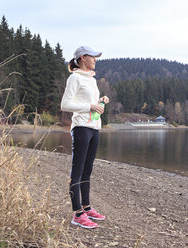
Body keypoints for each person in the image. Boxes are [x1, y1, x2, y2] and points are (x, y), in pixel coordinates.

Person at [61, 46, 109, 229]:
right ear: (82, 58)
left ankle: (87, 207)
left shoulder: (92, 80)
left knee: (87, 170)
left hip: (94, 127)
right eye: (93, 56)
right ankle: (77, 214)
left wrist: (100, 102)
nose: (95, 59)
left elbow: (88, 103)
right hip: (81, 128)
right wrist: (89, 107)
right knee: (78, 171)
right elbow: (66, 104)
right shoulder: (74, 78)